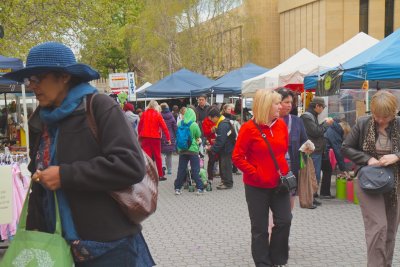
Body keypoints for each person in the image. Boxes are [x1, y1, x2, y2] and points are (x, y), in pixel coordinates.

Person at [3, 42, 154, 266]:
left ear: (64, 77)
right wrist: (34, 224)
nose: (33, 86)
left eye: (38, 78)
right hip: (58, 244)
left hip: (111, 247)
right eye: (29, 80)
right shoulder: (42, 119)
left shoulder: (100, 106)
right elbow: (38, 177)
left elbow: (130, 165)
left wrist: (65, 175)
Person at [232, 89, 292, 266]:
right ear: (266, 106)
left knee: (285, 221)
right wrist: (255, 172)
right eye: (277, 103)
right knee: (259, 229)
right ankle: (263, 263)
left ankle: (277, 259)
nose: (280, 106)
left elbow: (283, 150)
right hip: (256, 187)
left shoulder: (281, 125)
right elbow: (237, 157)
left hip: (279, 184)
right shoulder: (248, 129)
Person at [342, 90, 400, 267]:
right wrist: (368, 159)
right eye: (377, 115)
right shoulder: (363, 123)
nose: (381, 120)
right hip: (369, 182)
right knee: (378, 226)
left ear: (394, 113)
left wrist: (396, 156)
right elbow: (346, 147)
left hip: (395, 182)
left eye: (385, 117)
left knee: (390, 230)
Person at [277, 88, 312, 209]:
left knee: (289, 203)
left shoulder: (297, 121)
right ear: (277, 102)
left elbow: (304, 140)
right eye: (286, 102)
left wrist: (307, 146)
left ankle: (284, 224)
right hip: (273, 169)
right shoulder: (268, 121)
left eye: (291, 102)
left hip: (291, 169)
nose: (289, 105)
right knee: (274, 202)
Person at [301, 96, 333, 206]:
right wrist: (326, 124)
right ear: (317, 106)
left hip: (315, 150)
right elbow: (316, 132)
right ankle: (310, 199)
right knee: (313, 176)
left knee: (315, 175)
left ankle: (312, 197)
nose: (323, 109)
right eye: (322, 107)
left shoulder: (311, 116)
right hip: (312, 151)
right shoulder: (307, 117)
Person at [174, 107, 205, 195]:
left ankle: (177, 188)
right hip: (192, 150)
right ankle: (200, 188)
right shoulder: (194, 125)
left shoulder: (180, 123)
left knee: (181, 169)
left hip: (182, 149)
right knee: (195, 169)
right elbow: (198, 135)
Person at [138, 100, 171, 181]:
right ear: (156, 106)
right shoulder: (158, 114)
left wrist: (139, 135)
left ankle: (147, 175)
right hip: (155, 138)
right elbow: (164, 127)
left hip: (145, 137)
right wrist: (168, 138)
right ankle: (160, 175)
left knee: (147, 157)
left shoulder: (144, 114)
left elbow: (140, 126)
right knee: (157, 157)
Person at [320, 120, 351, 198]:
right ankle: (324, 193)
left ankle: (321, 193)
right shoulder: (335, 133)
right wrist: (343, 169)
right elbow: (338, 152)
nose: (344, 135)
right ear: (344, 129)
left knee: (325, 170)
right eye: (345, 133)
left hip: (320, 151)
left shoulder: (332, 128)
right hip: (323, 152)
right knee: (328, 170)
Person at [208, 107, 235, 190]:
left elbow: (221, 141)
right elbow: (222, 138)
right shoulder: (223, 122)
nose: (211, 120)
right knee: (224, 165)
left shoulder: (223, 124)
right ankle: (225, 181)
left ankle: (228, 183)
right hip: (227, 147)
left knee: (226, 166)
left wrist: (212, 149)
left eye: (211, 118)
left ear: (216, 117)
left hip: (227, 148)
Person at [160, 102, 177, 175]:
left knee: (162, 152)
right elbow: (175, 127)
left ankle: (163, 166)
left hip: (161, 136)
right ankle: (169, 170)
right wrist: (176, 135)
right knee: (169, 154)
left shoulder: (159, 115)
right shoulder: (171, 116)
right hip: (170, 136)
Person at [202, 111, 217, 181]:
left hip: (217, 142)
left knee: (216, 159)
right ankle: (210, 177)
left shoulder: (215, 120)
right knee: (211, 160)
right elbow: (205, 132)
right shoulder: (206, 121)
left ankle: (214, 172)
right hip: (210, 142)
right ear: (211, 117)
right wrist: (212, 130)